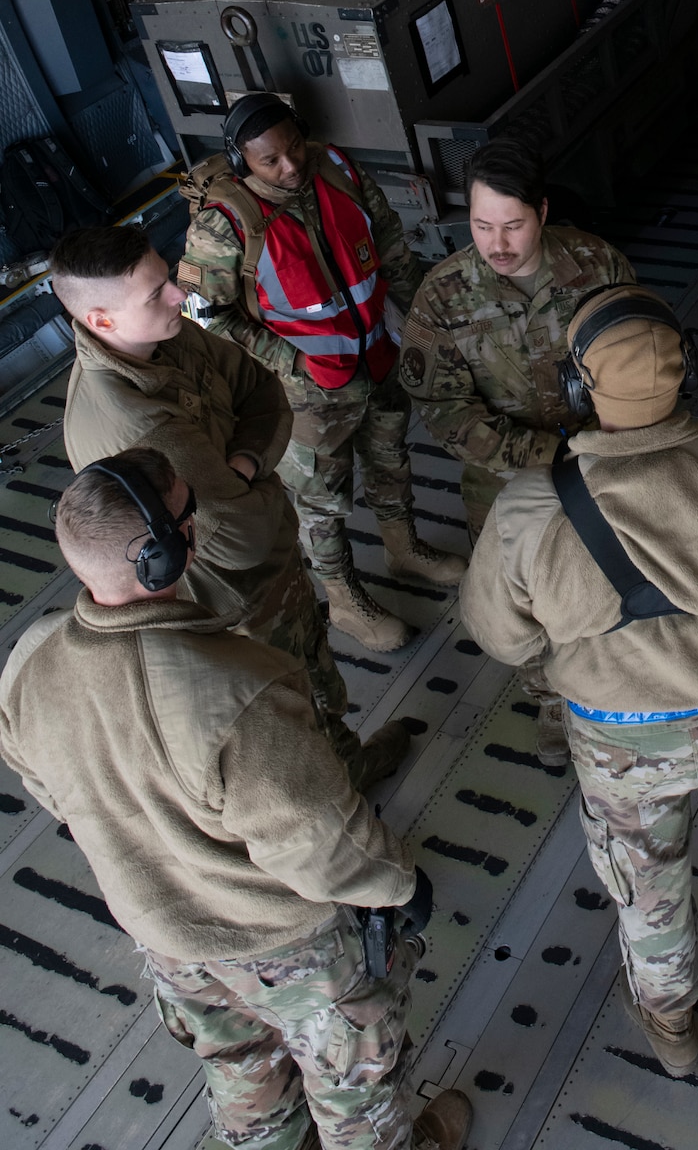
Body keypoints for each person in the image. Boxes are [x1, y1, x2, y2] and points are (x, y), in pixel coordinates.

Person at [0, 447, 471, 1150]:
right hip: (284, 944)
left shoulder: (29, 661)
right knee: (353, 1086)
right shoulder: (236, 691)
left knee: (240, 1068)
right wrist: (397, 885)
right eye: (191, 513)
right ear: (163, 555)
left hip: (163, 935)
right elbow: (319, 845)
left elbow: (51, 790)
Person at [460, 285, 698, 1076]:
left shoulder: (530, 509)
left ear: (576, 386)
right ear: (686, 373)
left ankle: (673, 1033)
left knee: (648, 892)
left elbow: (501, 638)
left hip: (617, 738)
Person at [53, 223, 407, 791]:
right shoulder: (137, 422)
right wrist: (259, 482)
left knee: (312, 672)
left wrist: (241, 467)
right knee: (290, 698)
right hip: (237, 596)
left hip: (266, 568)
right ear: (101, 320)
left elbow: (263, 391)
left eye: (167, 280)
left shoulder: (161, 336)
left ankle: (342, 762)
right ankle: (332, 794)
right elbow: (241, 538)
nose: (176, 296)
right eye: (156, 293)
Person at [179, 91, 465, 654]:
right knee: (319, 501)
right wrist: (293, 362)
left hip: (376, 358)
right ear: (242, 162)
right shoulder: (224, 226)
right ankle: (343, 599)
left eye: (294, 148)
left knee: (390, 457)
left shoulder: (334, 168)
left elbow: (389, 242)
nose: (290, 167)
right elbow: (209, 320)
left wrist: (411, 322)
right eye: (271, 161)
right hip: (306, 392)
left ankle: (403, 546)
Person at [398, 136, 634, 767]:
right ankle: (553, 702)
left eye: (513, 225)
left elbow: (634, 361)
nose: (497, 244)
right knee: (523, 597)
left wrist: (610, 442)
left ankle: (612, 687)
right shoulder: (444, 296)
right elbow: (443, 409)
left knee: (611, 575)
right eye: (480, 225)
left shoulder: (597, 266)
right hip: (502, 481)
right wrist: (541, 454)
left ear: (544, 212)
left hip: (602, 462)